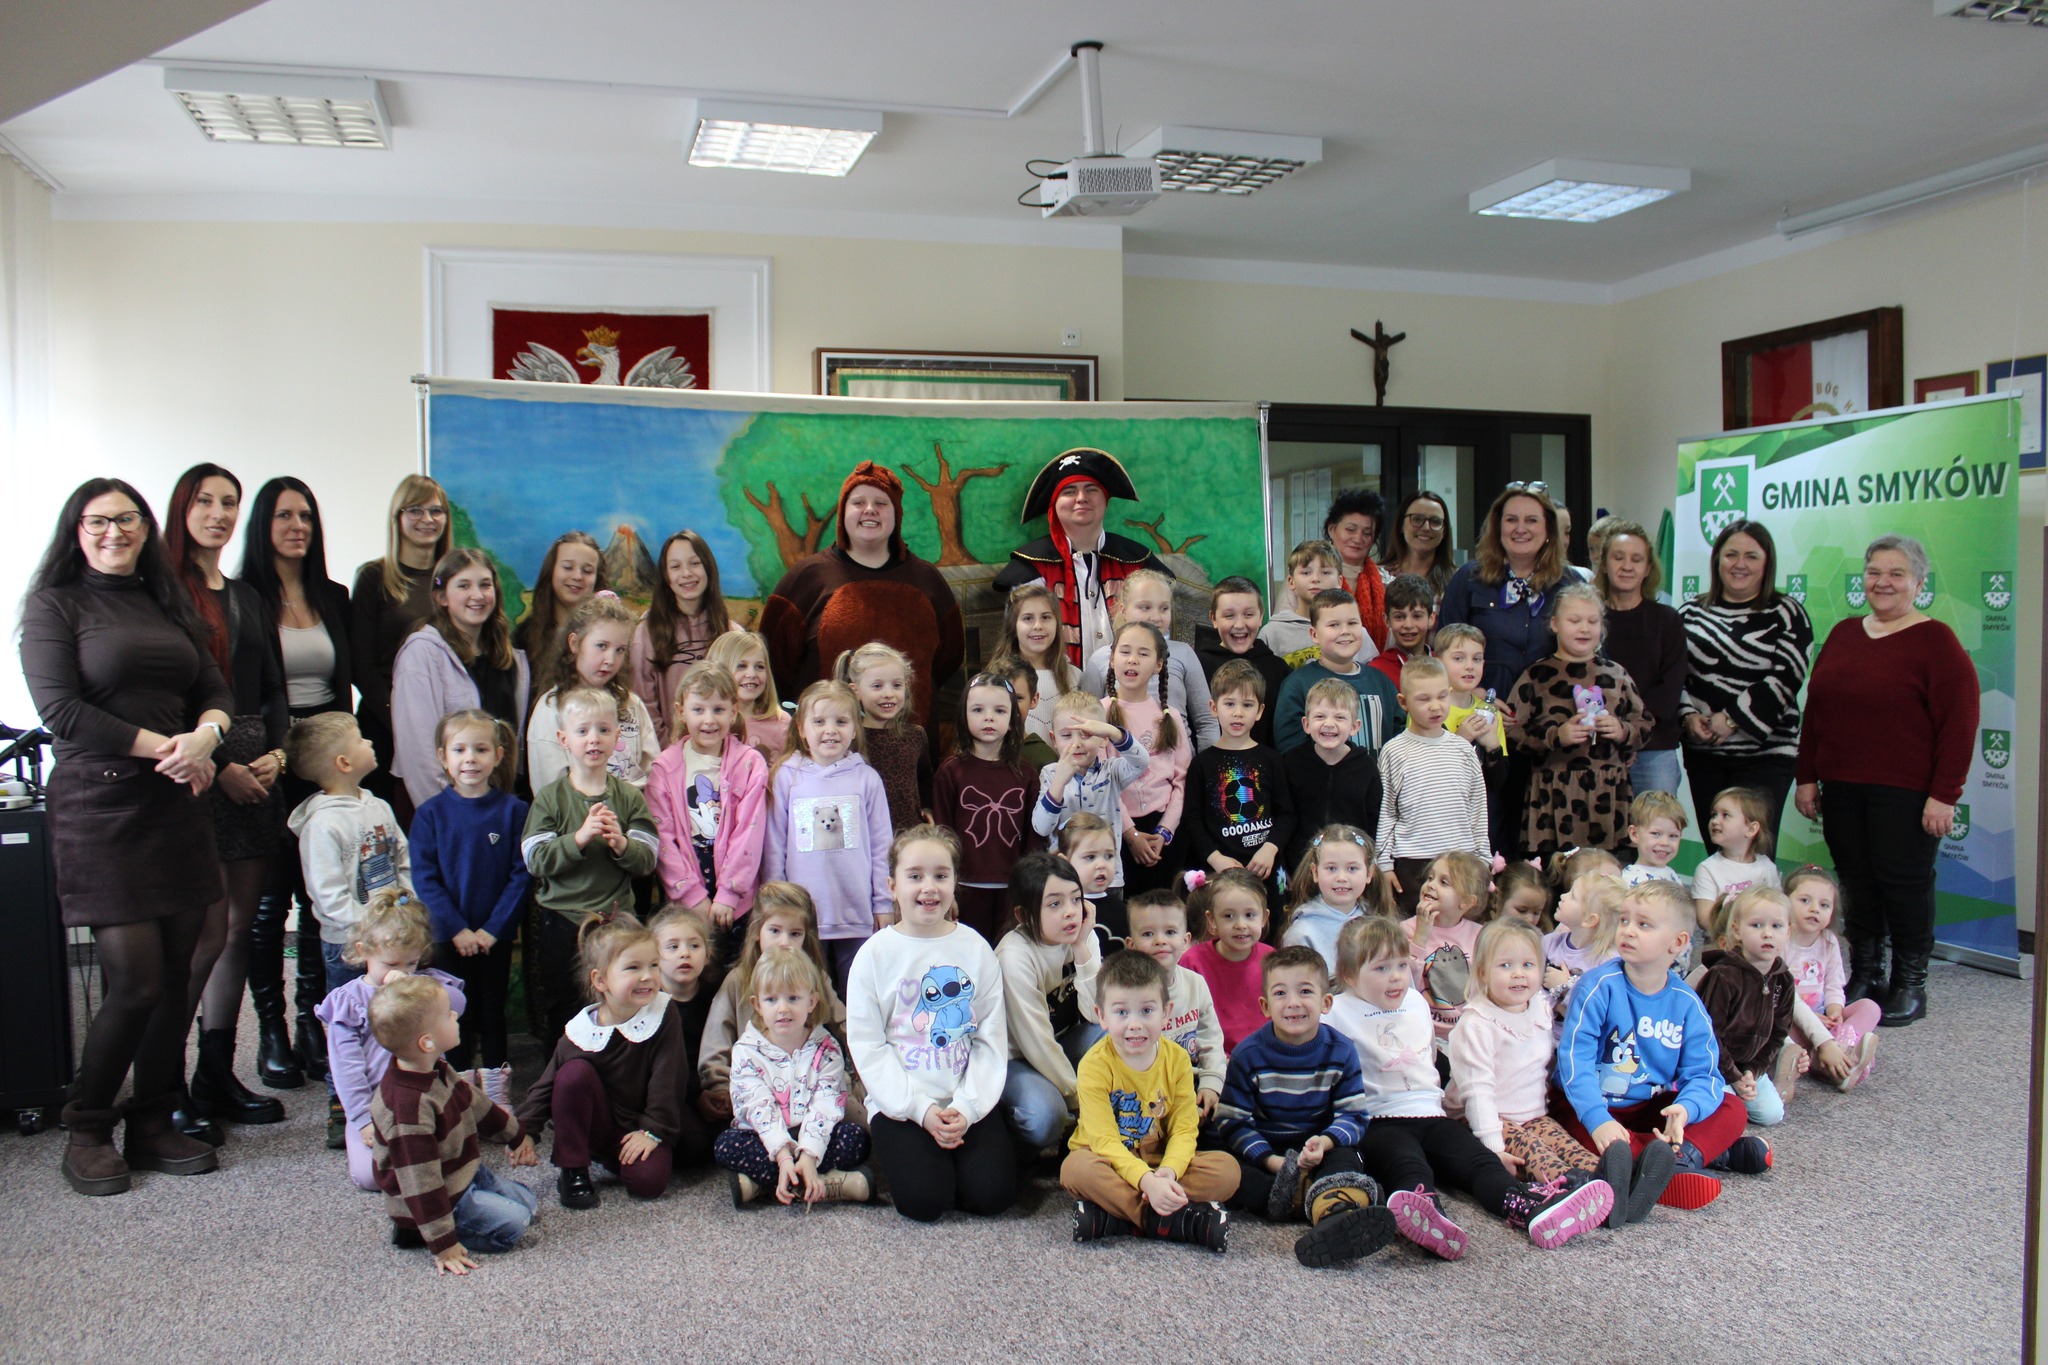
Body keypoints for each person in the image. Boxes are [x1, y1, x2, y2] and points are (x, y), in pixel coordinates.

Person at [19, 478, 234, 1195]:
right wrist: (167, 747)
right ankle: (86, 1123)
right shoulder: (56, 605)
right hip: (101, 808)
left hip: (177, 801)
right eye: (99, 520)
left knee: (178, 974)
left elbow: (214, 685)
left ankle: (151, 1118)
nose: (115, 531)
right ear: (75, 530)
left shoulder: (165, 598)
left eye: (128, 518)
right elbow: (61, 710)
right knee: (135, 978)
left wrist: (206, 736)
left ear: (145, 527)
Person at [1328, 917, 1613, 1257]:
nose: (1396, 977)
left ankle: (1527, 1208)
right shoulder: (1335, 1011)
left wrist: (1490, 1145)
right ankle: (1424, 1214)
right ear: (1348, 976)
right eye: (1381, 968)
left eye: (1402, 965)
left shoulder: (1415, 1001)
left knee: (1482, 1162)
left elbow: (1430, 1058)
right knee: (1408, 1164)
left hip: (1431, 1115)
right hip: (1378, 1120)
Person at [1795, 533, 1977, 1027]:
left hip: (1908, 791)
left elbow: (1959, 723)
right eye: (1875, 572)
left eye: (1897, 574)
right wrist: (1807, 776)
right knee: (1857, 882)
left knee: (1905, 885)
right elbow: (1817, 712)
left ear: (1918, 583)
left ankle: (1910, 983)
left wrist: (1945, 794)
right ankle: (1867, 972)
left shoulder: (1936, 641)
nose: (1884, 582)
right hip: (1842, 785)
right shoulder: (1845, 634)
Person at [163, 464, 289, 1134]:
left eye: (229, 502)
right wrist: (221, 762)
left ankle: (217, 1069)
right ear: (183, 507)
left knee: (241, 927)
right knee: (201, 934)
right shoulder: (163, 592)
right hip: (197, 773)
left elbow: (272, 687)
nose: (218, 512)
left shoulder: (245, 594)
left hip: (256, 773)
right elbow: (170, 691)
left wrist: (276, 750)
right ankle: (167, 1080)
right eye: (206, 501)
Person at [1556, 880, 1767, 1218]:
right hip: (1589, 1105)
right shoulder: (1597, 987)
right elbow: (1573, 1062)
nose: (1628, 931)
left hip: (1649, 1105)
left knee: (1731, 1108)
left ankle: (1681, 1160)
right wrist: (1598, 1120)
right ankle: (1682, 1166)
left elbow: (1704, 1075)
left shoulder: (1687, 1004)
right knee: (1594, 1142)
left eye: (1644, 924)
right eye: (1624, 920)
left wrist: (1685, 1111)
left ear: (1678, 943)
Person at [244, 476, 357, 1096]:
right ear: (264, 526)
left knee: (322, 904)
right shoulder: (243, 598)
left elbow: (342, 688)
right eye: (284, 516)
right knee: (269, 907)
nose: (297, 526)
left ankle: (314, 1022)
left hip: (325, 766)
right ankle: (270, 1032)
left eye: (306, 516)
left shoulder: (332, 596)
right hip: (270, 764)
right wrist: (277, 750)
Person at [848, 825, 1016, 1222]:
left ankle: (969, 1157)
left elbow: (989, 1040)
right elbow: (869, 1047)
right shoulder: (874, 956)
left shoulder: (975, 948)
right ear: (892, 885)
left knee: (993, 1196)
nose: (929, 888)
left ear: (955, 882)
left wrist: (967, 1107)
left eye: (941, 876)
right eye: (915, 876)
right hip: (903, 1106)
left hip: (964, 1098)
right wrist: (920, 1109)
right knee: (925, 1202)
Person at [1211, 945, 1395, 1268]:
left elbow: (1353, 1115)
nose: (1293, 1002)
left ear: (1326, 1002)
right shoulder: (1247, 1055)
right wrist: (1272, 1161)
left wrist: (1324, 1143)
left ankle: (1331, 1218)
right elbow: (1233, 1122)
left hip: (1318, 1145)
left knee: (1347, 1158)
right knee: (1231, 1172)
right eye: (1281, 994)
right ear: (1265, 1006)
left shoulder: (1341, 1050)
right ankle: (1330, 1199)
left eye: (1305, 991)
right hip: (1267, 1148)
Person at [283, 709, 414, 1144]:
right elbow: (327, 896)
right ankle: (344, 1107)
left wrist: (409, 909)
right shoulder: (323, 824)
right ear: (343, 762)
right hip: (349, 948)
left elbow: (402, 861)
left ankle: (397, 1097)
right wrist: (368, 935)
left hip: (394, 941)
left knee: (395, 1019)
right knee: (352, 1025)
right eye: (361, 739)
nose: (371, 744)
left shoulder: (376, 806)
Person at [318, 890, 501, 1191]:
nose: (402, 973)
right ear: (364, 951)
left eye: (411, 964)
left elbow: (459, 1003)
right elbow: (346, 1068)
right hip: (376, 1104)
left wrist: (420, 991)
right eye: (391, 965)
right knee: (372, 1176)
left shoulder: (426, 985)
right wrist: (363, 1119)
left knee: (451, 1160)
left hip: (426, 1096)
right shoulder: (349, 1002)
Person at [1063, 949, 1240, 1251]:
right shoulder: (1094, 1064)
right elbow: (1103, 1141)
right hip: (1107, 1160)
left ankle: (1118, 1217)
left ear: (1166, 1012)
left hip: (1159, 1160)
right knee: (1075, 1169)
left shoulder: (1179, 1059)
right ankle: (1173, 1220)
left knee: (1227, 1171)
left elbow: (1184, 1130)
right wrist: (1146, 1182)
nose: (1135, 1024)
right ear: (1101, 1016)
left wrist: (1167, 1173)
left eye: (1147, 1011)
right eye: (1121, 1012)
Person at [763, 462, 964, 727]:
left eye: (881, 503)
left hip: (911, 748)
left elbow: (947, 659)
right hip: (827, 751)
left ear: (896, 514)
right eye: (858, 502)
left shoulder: (927, 581)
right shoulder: (805, 579)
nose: (869, 510)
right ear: (843, 512)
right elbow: (773, 660)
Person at [516, 913, 695, 1209]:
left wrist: (652, 1131)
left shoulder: (663, 1013)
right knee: (572, 1074)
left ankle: (621, 1155)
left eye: (653, 965)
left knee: (648, 1183)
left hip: (639, 1125)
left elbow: (669, 1077)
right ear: (601, 980)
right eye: (633, 968)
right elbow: (546, 1086)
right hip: (597, 1125)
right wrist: (523, 1132)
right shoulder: (581, 1030)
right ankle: (573, 1167)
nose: (647, 976)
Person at [368, 974, 537, 1272]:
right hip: (435, 1195)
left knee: (530, 1204)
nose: (456, 1015)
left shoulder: (435, 1068)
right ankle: (419, 1231)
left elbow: (476, 1103)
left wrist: (516, 1135)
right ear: (427, 1042)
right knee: (515, 1226)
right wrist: (442, 1243)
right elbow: (421, 1181)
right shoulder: (408, 1109)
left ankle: (465, 1208)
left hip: (462, 1170)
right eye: (448, 1014)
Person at [1436, 484, 1569, 856]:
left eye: (1531, 520)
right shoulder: (1470, 579)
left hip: (1547, 731)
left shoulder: (1569, 584)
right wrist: (1477, 694)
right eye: (1511, 519)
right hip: (1482, 725)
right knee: (1490, 827)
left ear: (1548, 530)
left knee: (1541, 831)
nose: (1520, 528)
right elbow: (1443, 648)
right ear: (1497, 528)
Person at [521, 687, 660, 1039]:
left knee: (619, 1005)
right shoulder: (550, 798)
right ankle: (562, 1080)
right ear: (563, 739)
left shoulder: (628, 797)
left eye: (603, 730)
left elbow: (647, 861)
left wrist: (621, 844)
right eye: (582, 731)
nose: (593, 739)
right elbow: (535, 860)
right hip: (563, 921)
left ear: (616, 736)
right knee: (563, 1007)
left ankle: (612, 1074)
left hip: (616, 922)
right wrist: (578, 839)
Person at [1679, 519, 1813, 852]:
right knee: (1718, 854)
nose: (1740, 564)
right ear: (1717, 560)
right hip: (1705, 756)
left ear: (1767, 562)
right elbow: (1673, 678)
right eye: (1731, 554)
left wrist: (1732, 718)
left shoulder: (1787, 613)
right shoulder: (1690, 613)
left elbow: (1787, 676)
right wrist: (1687, 717)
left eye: (1751, 556)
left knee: (1753, 855)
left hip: (1765, 758)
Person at [408, 710, 531, 1071]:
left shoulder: (514, 811)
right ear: (443, 758)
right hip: (450, 938)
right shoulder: (430, 815)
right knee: (452, 1013)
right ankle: (457, 1086)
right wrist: (456, 929)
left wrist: (493, 930)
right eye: (459, 750)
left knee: (492, 1014)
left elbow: (521, 875)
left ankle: (496, 1090)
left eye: (480, 749)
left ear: (498, 755)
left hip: (494, 936)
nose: (470, 759)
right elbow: (425, 879)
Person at [1446, 919, 1601, 1188]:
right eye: (1505, 965)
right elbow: (1478, 1092)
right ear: (1482, 972)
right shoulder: (1476, 1024)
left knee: (1569, 1148)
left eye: (1528, 965)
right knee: (1541, 1159)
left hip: (1532, 1116)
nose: (1518, 973)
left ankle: (1615, 1182)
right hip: (1484, 1121)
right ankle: (1576, 1190)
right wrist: (1493, 1149)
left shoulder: (1539, 1006)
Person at [762, 680, 893, 997]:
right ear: (802, 729)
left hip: (857, 912)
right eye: (819, 721)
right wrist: (776, 904)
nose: (830, 730)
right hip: (803, 918)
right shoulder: (786, 777)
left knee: (857, 995)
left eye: (841, 721)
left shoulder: (866, 779)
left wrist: (884, 902)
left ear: (854, 727)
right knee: (809, 995)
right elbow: (774, 846)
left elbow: (881, 848)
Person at [717, 948, 873, 1207]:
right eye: (771, 1000)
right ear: (757, 1004)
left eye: (793, 998)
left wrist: (809, 1156)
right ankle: (829, 1183)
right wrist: (784, 1157)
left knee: (856, 1139)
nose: (782, 1008)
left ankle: (763, 1185)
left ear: (811, 1002)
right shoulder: (746, 1051)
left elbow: (826, 1104)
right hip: (765, 1138)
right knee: (725, 1145)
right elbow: (758, 1108)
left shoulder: (827, 1048)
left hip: (814, 1134)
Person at [1506, 582, 1651, 856]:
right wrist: (1555, 736)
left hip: (1608, 797)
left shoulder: (1617, 674)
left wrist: (1621, 731)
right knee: (1555, 879)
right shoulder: (1537, 675)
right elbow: (1512, 731)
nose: (1584, 628)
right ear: (1555, 624)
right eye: (1574, 620)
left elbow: (1645, 724)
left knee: (1608, 881)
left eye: (1592, 621)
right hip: (1553, 797)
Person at [994, 447, 1169, 667]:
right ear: (1054, 504)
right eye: (1069, 491)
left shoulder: (1136, 563)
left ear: (1105, 500)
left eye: (1091, 489)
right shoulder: (1031, 568)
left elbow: (1161, 635)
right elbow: (1022, 645)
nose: (1081, 498)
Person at [646, 662, 769, 967]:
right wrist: (691, 897)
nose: (709, 720)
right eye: (698, 709)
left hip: (737, 898)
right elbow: (663, 838)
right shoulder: (664, 769)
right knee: (689, 977)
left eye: (718, 709)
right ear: (680, 711)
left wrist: (729, 893)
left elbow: (749, 833)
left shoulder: (750, 764)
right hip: (686, 895)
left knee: (735, 975)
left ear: (733, 710)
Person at [391, 548, 531, 809]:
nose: (477, 595)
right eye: (463, 585)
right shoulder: (422, 653)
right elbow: (419, 753)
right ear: (441, 596)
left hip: (498, 803)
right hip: (442, 808)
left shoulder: (510, 659)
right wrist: (451, 815)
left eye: (485, 585)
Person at [351, 475, 454, 822]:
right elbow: (361, 665)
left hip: (446, 727)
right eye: (416, 510)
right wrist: (402, 718)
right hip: (384, 727)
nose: (427, 519)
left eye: (436, 510)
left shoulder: (455, 581)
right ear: (397, 517)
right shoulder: (373, 577)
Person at [997, 852, 1104, 1154]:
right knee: (1046, 1116)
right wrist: (1080, 1100)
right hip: (1016, 1059)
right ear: (1022, 915)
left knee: (1118, 1036)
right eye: (1054, 904)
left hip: (1062, 1042)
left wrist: (1082, 947)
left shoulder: (1082, 935)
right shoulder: (1014, 958)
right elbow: (1037, 1045)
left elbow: (1098, 1015)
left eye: (1075, 899)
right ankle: (1007, 1138)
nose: (1071, 912)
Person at [1095, 890, 1226, 1117]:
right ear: (1131, 944)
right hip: (1141, 1087)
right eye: (1147, 934)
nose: (1160, 940)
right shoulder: (1124, 993)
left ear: (1186, 941)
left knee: (1223, 1117)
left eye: (1170, 932)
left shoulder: (1195, 983)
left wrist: (1211, 1082)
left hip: (1190, 1081)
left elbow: (1211, 1039)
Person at [1376, 657, 1490, 917]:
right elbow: (1387, 812)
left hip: (1462, 861)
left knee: (1457, 936)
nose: (1435, 706)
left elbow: (1477, 808)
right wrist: (1384, 865)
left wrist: (1483, 860)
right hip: (1412, 864)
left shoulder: (1463, 750)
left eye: (1441, 696)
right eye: (1424, 699)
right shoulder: (1394, 751)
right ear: (1404, 702)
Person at [932, 672, 1035, 942]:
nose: (988, 717)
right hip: (965, 888)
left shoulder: (1026, 774)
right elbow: (943, 837)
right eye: (978, 710)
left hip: (1011, 890)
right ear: (964, 717)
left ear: (1013, 720)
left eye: (999, 710)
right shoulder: (951, 772)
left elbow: (1034, 837)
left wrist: (1027, 889)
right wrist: (947, 888)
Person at [1185, 660, 1295, 910]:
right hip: (1223, 872)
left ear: (1259, 711)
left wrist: (1270, 849)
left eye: (1247, 705)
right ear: (1213, 707)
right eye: (1229, 704)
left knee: (1273, 928)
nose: (1237, 713)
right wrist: (1216, 859)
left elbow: (1287, 814)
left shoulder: (1271, 759)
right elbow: (1192, 820)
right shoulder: (1201, 764)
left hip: (1267, 869)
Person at [526, 593, 660, 793]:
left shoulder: (631, 703)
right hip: (580, 819)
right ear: (574, 643)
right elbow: (549, 787)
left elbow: (653, 770)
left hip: (634, 815)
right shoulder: (552, 708)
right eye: (601, 646)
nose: (610, 659)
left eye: (620, 650)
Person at [1687, 889, 1796, 1128]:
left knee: (1772, 1115)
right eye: (1756, 925)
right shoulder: (1723, 975)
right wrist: (1734, 1077)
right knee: (1723, 1111)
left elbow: (1779, 1032)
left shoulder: (1784, 979)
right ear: (1737, 930)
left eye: (1776, 926)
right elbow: (1709, 1034)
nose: (1767, 933)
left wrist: (1753, 1072)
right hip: (1713, 1064)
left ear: (1788, 931)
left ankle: (1748, 1087)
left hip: (1748, 1066)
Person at [1080, 568, 1219, 752]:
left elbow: (1206, 721)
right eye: (1145, 607)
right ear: (1123, 610)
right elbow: (1087, 720)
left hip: (1176, 769)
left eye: (1164, 608)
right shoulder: (1101, 659)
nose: (1156, 617)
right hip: (1118, 768)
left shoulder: (1184, 654)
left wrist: (1204, 773)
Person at [1594, 519, 1686, 797]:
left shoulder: (1667, 620)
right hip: (1598, 747)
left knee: (1656, 835)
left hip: (1653, 750)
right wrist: (1615, 734)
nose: (1627, 566)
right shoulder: (1589, 620)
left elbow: (1669, 689)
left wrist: (1630, 732)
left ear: (1647, 569)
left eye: (1636, 559)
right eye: (1618, 557)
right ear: (1605, 564)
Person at [1030, 691, 1149, 904]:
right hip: (1063, 879)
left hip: (1107, 880)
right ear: (1053, 739)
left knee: (1109, 933)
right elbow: (1041, 827)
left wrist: (1114, 732)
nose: (1076, 743)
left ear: (1103, 740)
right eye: (1066, 736)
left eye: (1086, 734)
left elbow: (1141, 761)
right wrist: (1059, 782)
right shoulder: (1050, 773)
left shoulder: (1111, 771)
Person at [1102, 621, 1192, 899]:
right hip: (1120, 831)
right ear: (1112, 658)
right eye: (1125, 651)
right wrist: (1131, 835)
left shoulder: (1170, 717)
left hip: (1165, 834)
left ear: (1158, 665)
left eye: (1143, 653)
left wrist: (1165, 832)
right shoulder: (1101, 714)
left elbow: (1182, 781)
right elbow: (1104, 782)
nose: (1132, 659)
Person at [1778, 865, 1880, 1093]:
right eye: (1805, 900)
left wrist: (1835, 1010)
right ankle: (1840, 1061)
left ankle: (1841, 1047)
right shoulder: (1781, 939)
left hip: (1825, 1017)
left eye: (1824, 905)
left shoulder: (1829, 941)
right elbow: (1782, 994)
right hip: (1793, 1017)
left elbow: (1834, 984)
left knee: (1870, 1007)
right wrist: (1812, 1018)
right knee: (1780, 1028)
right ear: (1785, 901)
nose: (1814, 909)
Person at [1273, 590, 1404, 758]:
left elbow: (1399, 739)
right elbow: (1289, 749)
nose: (1345, 631)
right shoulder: (1297, 685)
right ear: (1314, 634)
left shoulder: (1381, 682)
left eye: (1352, 623)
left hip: (1375, 782)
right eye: (1334, 625)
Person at [630, 530, 731, 743]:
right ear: (666, 576)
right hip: (670, 757)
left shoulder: (730, 631)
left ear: (708, 568)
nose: (686, 573)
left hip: (725, 755)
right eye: (675, 566)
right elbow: (643, 702)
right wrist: (671, 752)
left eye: (695, 563)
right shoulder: (647, 632)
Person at [1282, 681, 1382, 871]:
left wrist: (1370, 861)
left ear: (1354, 726)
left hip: (1351, 867)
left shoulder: (1366, 767)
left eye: (1339, 717)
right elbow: (1284, 817)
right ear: (1306, 723)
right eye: (1320, 716)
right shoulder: (1291, 763)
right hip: (1302, 865)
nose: (1329, 724)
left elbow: (1374, 820)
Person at [837, 641, 932, 833]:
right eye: (877, 686)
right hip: (866, 836)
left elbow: (925, 777)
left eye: (896, 685)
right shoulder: (849, 739)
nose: (889, 694)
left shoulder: (915, 736)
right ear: (856, 692)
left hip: (909, 835)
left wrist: (927, 806)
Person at [1178, 869, 1275, 1053]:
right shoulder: (1192, 962)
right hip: (1210, 1060)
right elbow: (1185, 1026)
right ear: (1212, 920)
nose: (1240, 925)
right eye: (1229, 916)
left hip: (1264, 1059)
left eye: (1250, 915)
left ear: (1264, 918)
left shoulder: (1271, 960)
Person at [1278, 824, 1388, 978]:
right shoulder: (1301, 933)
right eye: (1331, 868)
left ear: (1369, 873)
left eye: (1352, 869)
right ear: (1315, 872)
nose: (1341, 878)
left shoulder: (1380, 923)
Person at [1400, 852, 1488, 1041]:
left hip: (1469, 1033)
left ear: (1466, 902)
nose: (1430, 885)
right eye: (1430, 878)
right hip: (1421, 1031)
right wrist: (1420, 938)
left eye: (1444, 882)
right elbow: (1405, 984)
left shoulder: (1481, 936)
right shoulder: (1405, 930)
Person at [1194, 576, 1291, 747]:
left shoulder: (1278, 669)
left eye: (1248, 615)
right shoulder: (1197, 665)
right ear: (1213, 619)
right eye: (1229, 615)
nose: (1239, 624)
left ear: (1261, 617)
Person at [516, 531, 606, 710]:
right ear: (551, 571)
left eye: (587, 571)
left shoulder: (608, 635)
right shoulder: (523, 637)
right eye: (567, 567)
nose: (577, 576)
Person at [1692, 786, 1782, 935]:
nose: (1715, 821)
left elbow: (1779, 910)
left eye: (1725, 815)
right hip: (1721, 948)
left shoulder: (1767, 867)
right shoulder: (1707, 869)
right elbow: (1705, 919)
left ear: (1751, 829)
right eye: (1714, 815)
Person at [989, 582, 1073, 743]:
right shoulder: (995, 678)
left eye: (1046, 617)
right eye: (1028, 618)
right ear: (1013, 625)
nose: (1038, 626)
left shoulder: (1075, 676)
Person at [1542, 873, 1622, 1037]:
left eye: (1572, 896)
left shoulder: (1608, 963)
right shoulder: (1548, 943)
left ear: (1590, 919)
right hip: (1537, 1036)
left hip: (1576, 1046)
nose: (1563, 896)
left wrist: (1565, 987)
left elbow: (1600, 1012)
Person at [706, 629, 788, 760]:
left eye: (759, 667)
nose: (752, 674)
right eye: (741, 666)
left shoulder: (781, 723)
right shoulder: (707, 723)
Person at [1259, 540, 1341, 667]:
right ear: (1291, 582)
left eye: (1325, 572)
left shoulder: (1353, 629)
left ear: (1339, 581)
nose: (1315, 579)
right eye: (1306, 573)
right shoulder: (1272, 633)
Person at [1380, 491, 1456, 599]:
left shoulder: (1457, 580)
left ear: (1444, 531)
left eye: (1435, 521)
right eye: (1417, 519)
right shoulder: (1378, 576)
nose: (1426, 527)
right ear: (1401, 525)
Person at [1368, 574, 1436, 688]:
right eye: (1399, 617)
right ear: (1387, 620)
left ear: (1431, 619)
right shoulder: (1377, 671)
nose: (1408, 625)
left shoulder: (1445, 664)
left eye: (1417, 616)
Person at [1323, 488, 1385, 598]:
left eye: (1367, 533)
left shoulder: (1386, 583)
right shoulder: (1307, 577)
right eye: (1351, 529)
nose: (1358, 539)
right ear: (1331, 529)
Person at [1623, 791, 1689, 890]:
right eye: (1656, 834)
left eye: (1673, 836)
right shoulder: (1626, 880)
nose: (1665, 843)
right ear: (1634, 834)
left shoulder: (1673, 876)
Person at [1491, 863, 1552, 929]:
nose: (1530, 919)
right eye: (1522, 910)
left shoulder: (1543, 938)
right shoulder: (1484, 935)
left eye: (1536, 913)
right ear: (1499, 900)